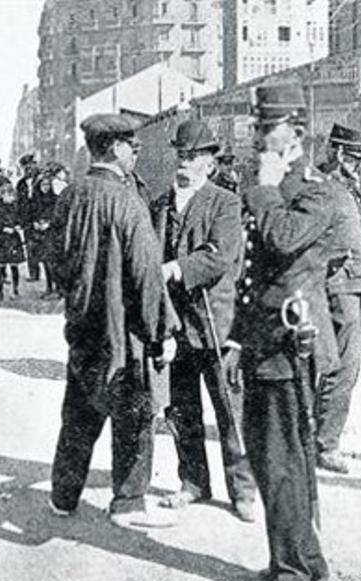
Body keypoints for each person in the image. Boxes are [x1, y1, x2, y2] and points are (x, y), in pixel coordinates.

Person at [226, 83, 337, 581]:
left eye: (266, 127)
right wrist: (236, 340)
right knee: (272, 459)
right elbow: (250, 273)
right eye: (256, 127)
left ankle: (295, 573)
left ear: (296, 130)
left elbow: (283, 239)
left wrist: (267, 189)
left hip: (292, 346)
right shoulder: (270, 183)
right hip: (263, 341)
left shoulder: (314, 189)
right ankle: (299, 562)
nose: (257, 137)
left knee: (284, 461)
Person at [47, 112, 178, 529]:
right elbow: (147, 275)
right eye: (133, 147)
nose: (135, 155)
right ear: (117, 148)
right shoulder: (127, 201)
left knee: (80, 413)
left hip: (82, 326)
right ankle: (129, 502)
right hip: (124, 333)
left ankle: (63, 497)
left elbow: (53, 258)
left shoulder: (70, 195)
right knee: (136, 416)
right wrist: (162, 332)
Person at [148, 119, 256, 521]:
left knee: (230, 411)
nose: (185, 163)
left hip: (215, 323)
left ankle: (242, 491)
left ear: (210, 164)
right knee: (181, 409)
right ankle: (193, 481)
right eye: (180, 155)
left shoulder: (224, 202)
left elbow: (220, 256)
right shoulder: (159, 205)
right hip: (175, 325)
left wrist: (175, 268)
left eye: (193, 157)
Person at [313, 123, 361, 475]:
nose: (360, 165)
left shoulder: (345, 188)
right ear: (337, 153)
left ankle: (322, 437)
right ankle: (325, 443)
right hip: (338, 288)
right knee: (338, 367)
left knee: (347, 368)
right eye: (355, 157)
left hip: (358, 285)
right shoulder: (322, 189)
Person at [29, 162, 67, 297]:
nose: (45, 188)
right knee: (44, 262)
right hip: (38, 235)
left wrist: (49, 223)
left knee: (54, 262)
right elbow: (30, 214)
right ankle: (49, 287)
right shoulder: (35, 200)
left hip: (52, 234)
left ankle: (59, 288)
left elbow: (59, 218)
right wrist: (34, 223)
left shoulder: (55, 200)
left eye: (47, 185)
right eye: (43, 185)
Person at [0, 182, 26, 300]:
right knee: (0, 266)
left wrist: (18, 226)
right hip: (0, 240)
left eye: (11, 194)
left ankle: (15, 290)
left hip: (13, 240)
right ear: (1, 195)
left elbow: (21, 220)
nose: (10, 197)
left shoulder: (16, 208)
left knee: (14, 266)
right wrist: (3, 228)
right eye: (6, 194)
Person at [15, 154, 41, 281]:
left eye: (31, 165)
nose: (28, 169)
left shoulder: (42, 180)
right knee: (30, 247)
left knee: (43, 247)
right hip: (27, 220)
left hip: (40, 220)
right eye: (26, 167)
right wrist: (18, 220)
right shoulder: (21, 184)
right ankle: (33, 273)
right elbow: (18, 203)